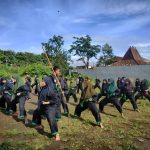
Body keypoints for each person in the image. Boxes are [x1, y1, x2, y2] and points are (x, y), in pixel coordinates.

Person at [32, 76, 60, 141]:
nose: (42, 82)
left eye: (43, 81)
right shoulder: (43, 88)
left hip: (50, 107)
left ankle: (56, 134)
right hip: (42, 106)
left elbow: (55, 100)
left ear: (47, 82)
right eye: (42, 81)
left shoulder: (50, 90)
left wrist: (47, 102)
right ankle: (39, 125)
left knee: (51, 120)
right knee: (36, 113)